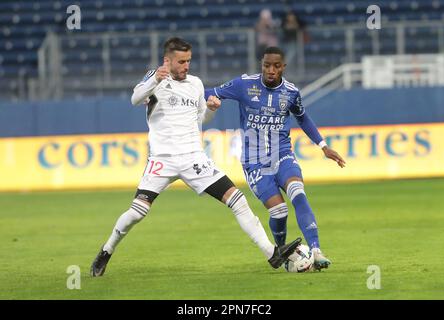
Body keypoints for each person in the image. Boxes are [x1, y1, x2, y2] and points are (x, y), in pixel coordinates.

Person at [90, 38, 301, 277]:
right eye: (181, 61)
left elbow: (201, 119)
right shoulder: (155, 78)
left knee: (238, 200)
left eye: (189, 61)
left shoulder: (195, 84)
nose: (186, 66)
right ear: (167, 61)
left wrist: (211, 108)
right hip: (163, 159)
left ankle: (271, 254)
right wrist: (155, 80)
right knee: (137, 213)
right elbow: (135, 99)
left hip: (194, 159)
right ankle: (106, 251)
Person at [205, 46, 346, 271]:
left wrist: (323, 146)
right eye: (266, 65)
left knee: (298, 192)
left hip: (282, 154)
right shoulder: (244, 85)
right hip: (254, 162)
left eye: (276, 66)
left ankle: (317, 250)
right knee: (279, 212)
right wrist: (206, 100)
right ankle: (283, 251)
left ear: (283, 67)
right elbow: (207, 92)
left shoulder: (290, 92)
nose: (271, 70)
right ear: (262, 65)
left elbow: (304, 118)